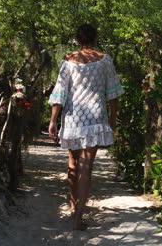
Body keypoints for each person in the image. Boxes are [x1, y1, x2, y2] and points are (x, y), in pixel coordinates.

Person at [48, 24, 124, 230]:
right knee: (86, 167)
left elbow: (60, 93)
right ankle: (78, 217)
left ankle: (75, 210)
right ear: (96, 38)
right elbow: (113, 93)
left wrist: (53, 120)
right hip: (95, 117)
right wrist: (113, 118)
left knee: (73, 165)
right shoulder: (105, 60)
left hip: (73, 117)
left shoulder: (68, 60)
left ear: (77, 39)